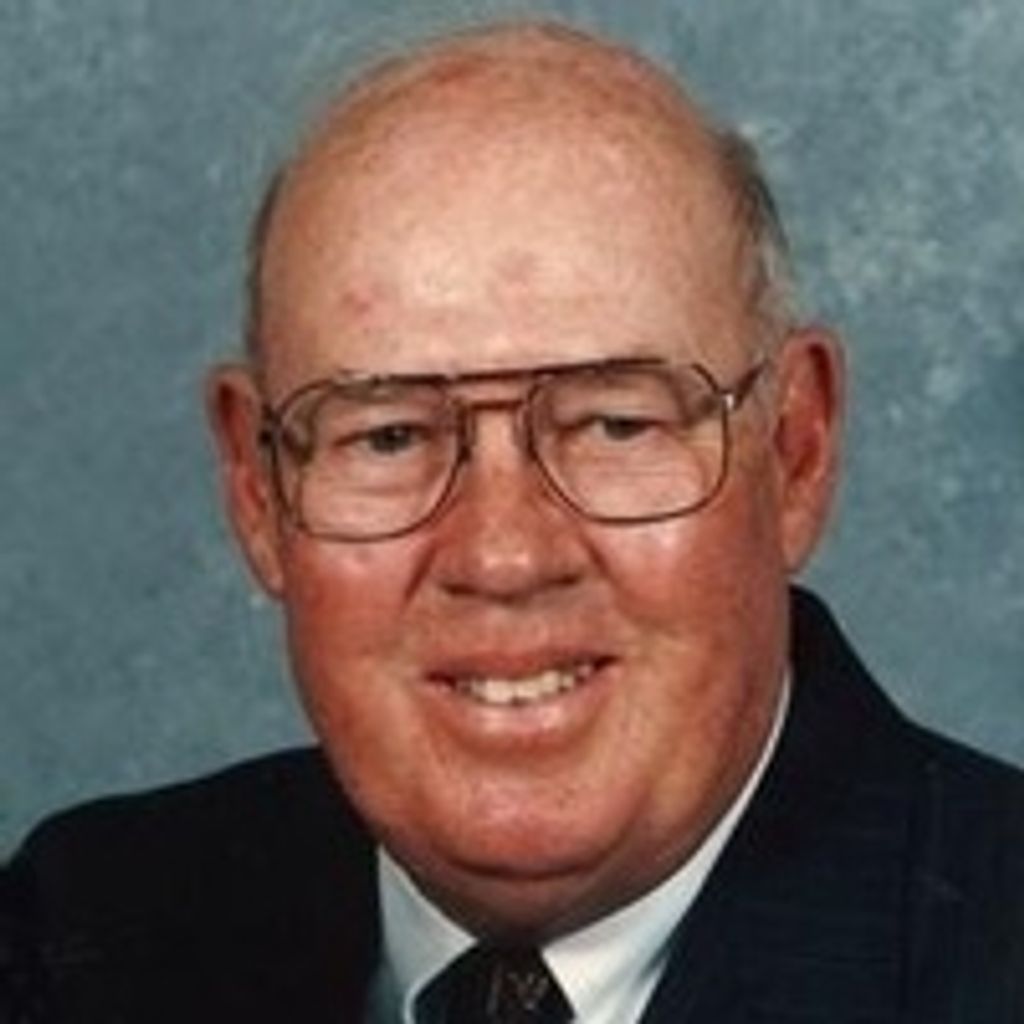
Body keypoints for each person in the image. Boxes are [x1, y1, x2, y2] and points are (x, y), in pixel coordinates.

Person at [3, 19, 1022, 1023]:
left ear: (795, 449)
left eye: (616, 424)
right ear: (258, 491)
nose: (503, 553)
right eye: (389, 436)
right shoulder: (79, 934)